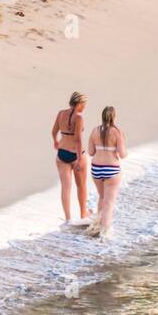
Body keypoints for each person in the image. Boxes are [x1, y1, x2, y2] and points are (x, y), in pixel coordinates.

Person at [87, 106, 127, 239]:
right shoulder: (117, 132)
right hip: (111, 169)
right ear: (114, 117)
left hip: (96, 168)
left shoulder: (94, 131)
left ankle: (97, 226)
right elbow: (123, 154)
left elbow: (91, 152)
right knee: (109, 202)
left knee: (102, 197)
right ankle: (105, 232)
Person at [51, 91, 91, 224]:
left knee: (65, 188)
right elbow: (78, 139)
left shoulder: (61, 113)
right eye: (84, 104)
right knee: (81, 186)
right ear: (79, 103)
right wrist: (79, 159)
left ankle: (68, 219)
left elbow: (54, 131)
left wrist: (56, 142)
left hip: (62, 153)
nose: (85, 106)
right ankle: (83, 214)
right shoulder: (79, 117)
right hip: (76, 154)